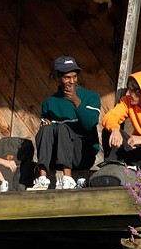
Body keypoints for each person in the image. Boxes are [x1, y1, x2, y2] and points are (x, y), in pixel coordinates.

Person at [32, 56, 102, 190]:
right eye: (67, 78)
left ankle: (68, 178)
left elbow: (90, 124)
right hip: (56, 156)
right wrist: (46, 125)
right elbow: (47, 134)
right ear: (58, 78)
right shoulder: (49, 102)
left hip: (81, 154)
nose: (71, 81)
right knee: (46, 129)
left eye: (74, 77)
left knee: (64, 128)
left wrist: (77, 102)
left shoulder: (90, 97)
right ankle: (42, 178)